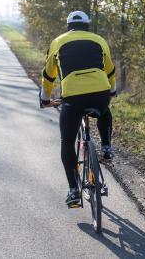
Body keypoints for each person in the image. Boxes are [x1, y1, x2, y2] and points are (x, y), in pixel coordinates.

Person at [39, 11, 116, 205]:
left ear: (68, 26)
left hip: (73, 97)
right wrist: (112, 91)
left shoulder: (58, 42)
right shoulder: (99, 40)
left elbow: (49, 76)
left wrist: (45, 98)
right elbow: (110, 70)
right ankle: (106, 146)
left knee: (67, 142)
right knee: (104, 111)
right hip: (100, 93)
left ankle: (74, 190)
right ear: (87, 25)